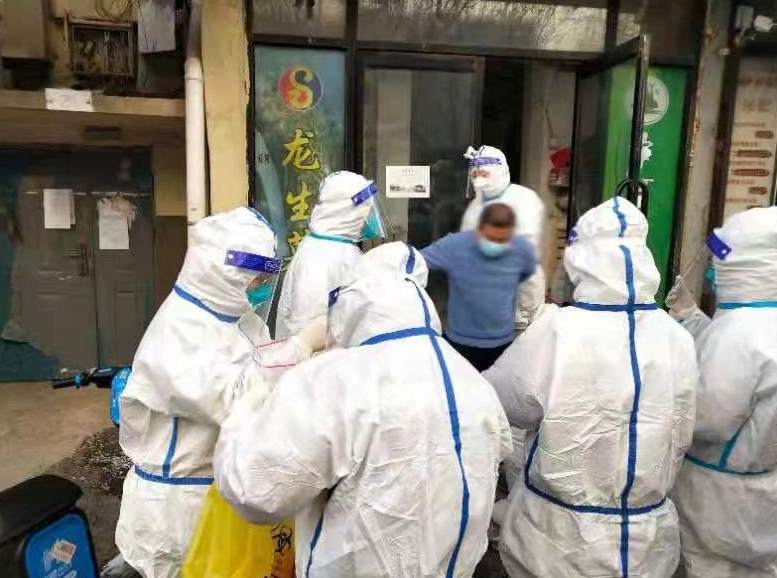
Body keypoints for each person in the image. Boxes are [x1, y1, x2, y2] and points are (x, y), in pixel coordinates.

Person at [214, 242, 513, 577]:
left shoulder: (335, 379)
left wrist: (246, 411)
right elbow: (497, 451)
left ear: (349, 302)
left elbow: (256, 493)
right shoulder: (471, 381)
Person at [484, 197, 698, 577]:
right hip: (647, 540)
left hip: (559, 540)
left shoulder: (557, 331)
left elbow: (502, 401)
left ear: (580, 258)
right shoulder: (676, 337)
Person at [113, 208, 321, 578]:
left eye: (266, 278)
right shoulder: (178, 331)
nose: (262, 286)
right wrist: (302, 345)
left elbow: (265, 373)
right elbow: (235, 400)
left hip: (219, 494)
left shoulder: (241, 319)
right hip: (177, 507)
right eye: (256, 277)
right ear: (223, 272)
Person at [668, 206, 777, 578]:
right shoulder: (753, 323)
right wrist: (691, 318)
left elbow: (708, 421)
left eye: (718, 262)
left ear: (745, 264)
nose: (712, 271)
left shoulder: (739, 333)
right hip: (759, 491)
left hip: (718, 499)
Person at [422, 202, 536, 372]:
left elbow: (526, 275)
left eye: (502, 240)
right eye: (490, 238)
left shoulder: (522, 250)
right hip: (460, 344)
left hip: (503, 345)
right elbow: (416, 261)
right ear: (479, 229)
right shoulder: (455, 246)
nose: (496, 244)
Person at [275, 171, 387, 339]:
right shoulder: (319, 257)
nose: (369, 215)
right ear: (345, 209)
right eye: (365, 207)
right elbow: (309, 330)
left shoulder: (338, 246)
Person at [460, 145, 546, 332]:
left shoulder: (522, 199)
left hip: (518, 311)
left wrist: (524, 311)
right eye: (475, 175)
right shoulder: (476, 206)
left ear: (500, 171)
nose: (479, 181)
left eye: (484, 174)